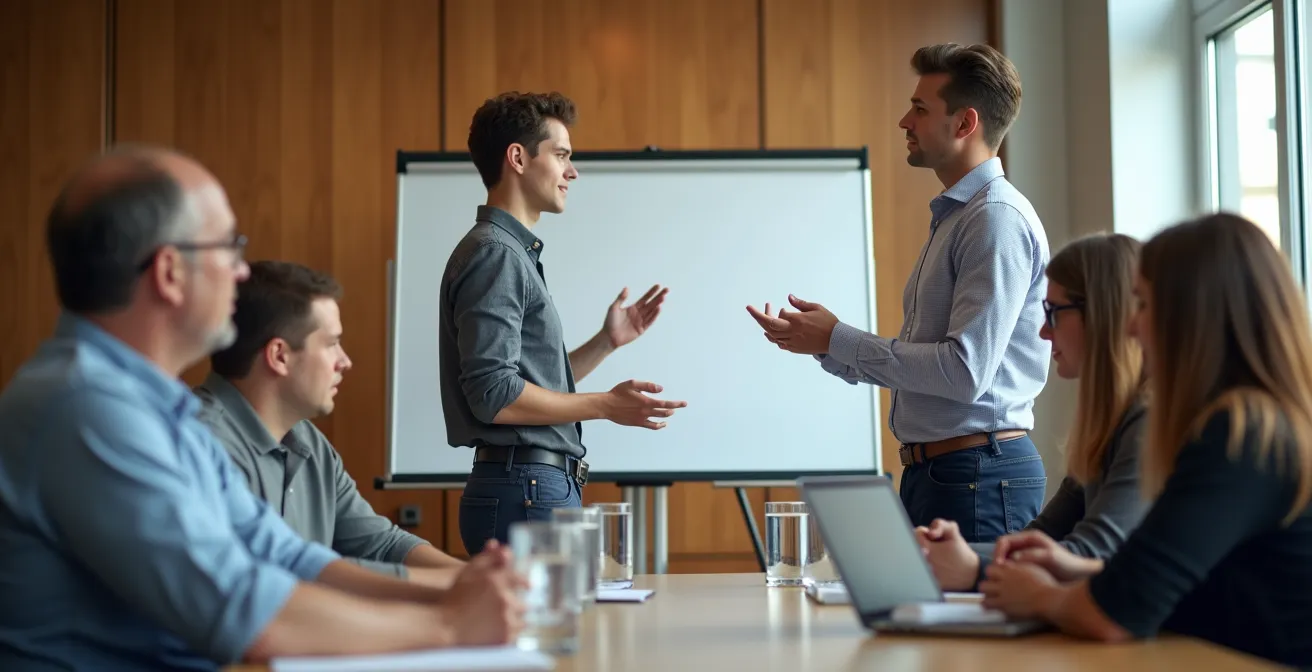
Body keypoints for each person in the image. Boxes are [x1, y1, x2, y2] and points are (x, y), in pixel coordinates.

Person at [0, 145, 523, 670]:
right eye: (229, 247)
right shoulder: (89, 407)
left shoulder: (156, 406)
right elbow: (240, 607)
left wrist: (455, 591)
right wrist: (449, 624)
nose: (242, 273)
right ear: (169, 272)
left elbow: (287, 555)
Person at [979, 213, 1312, 668]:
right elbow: (1188, 579)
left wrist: (1041, 598)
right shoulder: (1261, 422)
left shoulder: (1240, 435)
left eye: (1143, 305)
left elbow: (1115, 615)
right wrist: (1079, 571)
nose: (1132, 327)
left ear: (1191, 316)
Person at [748, 43, 1051, 541]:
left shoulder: (994, 219)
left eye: (920, 108)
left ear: (964, 123)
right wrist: (827, 344)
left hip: (977, 475)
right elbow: (936, 369)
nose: (903, 122)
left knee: (962, 620)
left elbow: (962, 371)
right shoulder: (959, 217)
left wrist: (840, 338)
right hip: (947, 473)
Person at [441, 91, 687, 555]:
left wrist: (606, 343)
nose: (572, 172)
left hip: (530, 488)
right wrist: (606, 406)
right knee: (548, 628)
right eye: (561, 156)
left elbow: (527, 382)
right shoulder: (497, 254)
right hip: (526, 490)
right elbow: (495, 395)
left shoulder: (508, 252)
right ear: (518, 157)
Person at [196, 260, 466, 587]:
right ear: (279, 356)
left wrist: (468, 575)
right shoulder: (202, 441)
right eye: (330, 343)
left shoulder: (307, 439)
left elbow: (380, 544)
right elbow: (272, 578)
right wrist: (455, 586)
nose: (345, 361)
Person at [915, 233, 1149, 590]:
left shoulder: (1149, 422)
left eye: (1053, 313)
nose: (1042, 331)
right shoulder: (1111, 422)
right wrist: (946, 554)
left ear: (1103, 313)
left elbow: (1091, 552)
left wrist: (975, 570)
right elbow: (1044, 538)